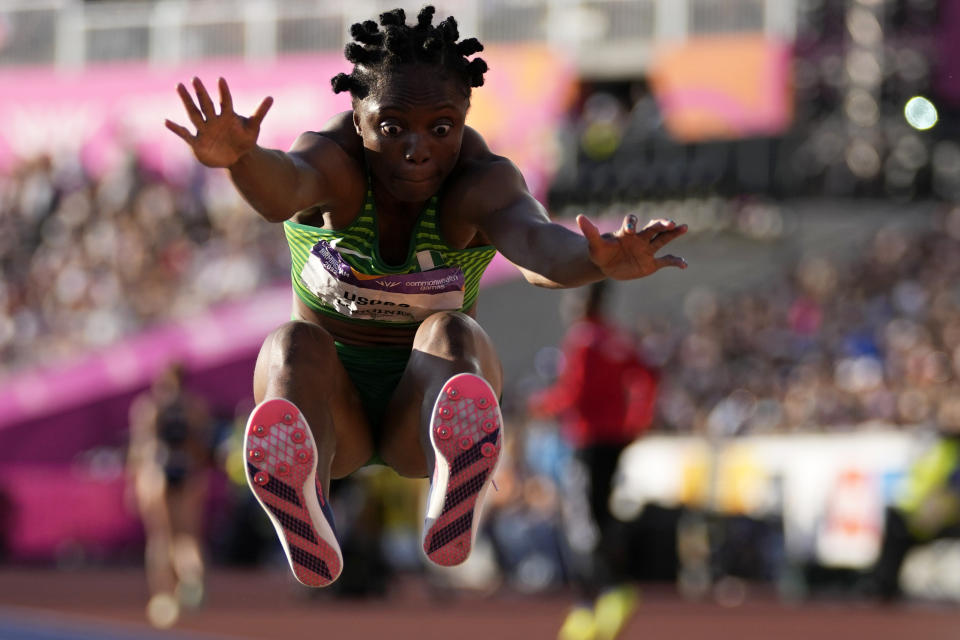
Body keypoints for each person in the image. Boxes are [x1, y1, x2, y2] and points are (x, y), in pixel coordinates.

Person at [165, 5, 687, 589]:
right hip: (332, 417)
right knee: (291, 343)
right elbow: (280, 189)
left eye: (441, 128)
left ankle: (452, 484)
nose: (418, 149)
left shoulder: (480, 180)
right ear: (357, 117)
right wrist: (242, 158)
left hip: (422, 412)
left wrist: (594, 259)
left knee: (453, 334)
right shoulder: (334, 161)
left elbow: (537, 246)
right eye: (393, 127)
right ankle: (303, 498)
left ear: (464, 117)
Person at [528, 281, 660, 640]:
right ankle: (596, 603)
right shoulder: (615, 337)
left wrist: (539, 404)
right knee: (601, 514)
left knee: (582, 523)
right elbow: (648, 375)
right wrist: (638, 419)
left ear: (586, 300)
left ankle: (602, 597)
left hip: (586, 439)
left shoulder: (583, 339)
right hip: (615, 439)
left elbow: (573, 393)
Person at [126, 363, 215, 628]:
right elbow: (203, 447)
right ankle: (192, 578)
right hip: (186, 470)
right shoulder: (195, 407)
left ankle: (164, 596)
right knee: (188, 535)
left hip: (158, 471)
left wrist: (134, 483)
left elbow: (141, 446)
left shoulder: (149, 406)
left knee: (161, 537)